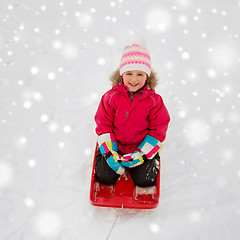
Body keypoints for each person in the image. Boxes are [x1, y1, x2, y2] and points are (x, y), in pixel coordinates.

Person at [94, 40, 170, 187]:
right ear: (122, 74)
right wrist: (110, 153)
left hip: (140, 147)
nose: (134, 79)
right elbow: (103, 125)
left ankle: (149, 159)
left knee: (146, 181)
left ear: (147, 76)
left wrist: (142, 153)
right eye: (129, 73)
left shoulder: (154, 101)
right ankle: (106, 156)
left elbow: (158, 129)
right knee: (104, 177)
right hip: (115, 145)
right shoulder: (111, 97)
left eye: (140, 74)